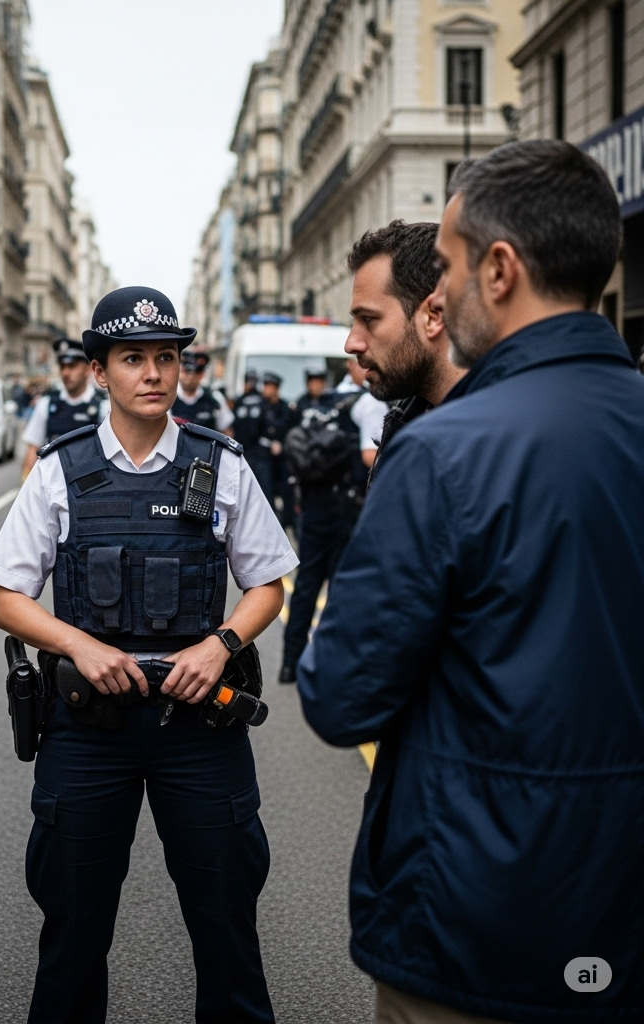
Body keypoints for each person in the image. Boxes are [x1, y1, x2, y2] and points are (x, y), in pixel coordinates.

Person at [299, 140, 644, 1023]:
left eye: (447, 269)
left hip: (476, 923)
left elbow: (339, 695)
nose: (440, 298)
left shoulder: (442, 452)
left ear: (499, 270)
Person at [0, 285, 297, 1024]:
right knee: (73, 931)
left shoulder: (222, 463)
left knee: (227, 927)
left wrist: (220, 645)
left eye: (166, 357)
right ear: (99, 371)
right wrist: (79, 644)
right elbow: (6, 597)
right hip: (89, 729)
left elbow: (267, 585)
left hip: (200, 727)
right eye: (132, 358)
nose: (153, 373)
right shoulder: (60, 468)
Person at [278, 360, 386, 681]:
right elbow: (369, 455)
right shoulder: (368, 403)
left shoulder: (321, 403)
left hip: (313, 507)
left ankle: (290, 662)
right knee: (342, 588)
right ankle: (331, 664)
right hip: (345, 509)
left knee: (306, 585)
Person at [343, 220, 466, 486]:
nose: (351, 344)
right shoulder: (407, 420)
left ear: (433, 316)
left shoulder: (500, 442)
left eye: (369, 319)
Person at [20, 338, 107, 478]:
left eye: (72, 366)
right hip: (53, 484)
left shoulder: (103, 406)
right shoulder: (47, 404)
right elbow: (32, 449)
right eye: (62, 366)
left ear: (87, 369)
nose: (65, 373)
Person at [247, 371, 294, 517]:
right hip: (262, 456)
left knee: (286, 489)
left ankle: (286, 519)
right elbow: (252, 432)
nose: (266, 389)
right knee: (266, 489)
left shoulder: (285, 407)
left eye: (270, 386)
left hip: (282, 456)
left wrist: (280, 443)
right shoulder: (258, 405)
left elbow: (288, 428)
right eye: (265, 385)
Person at [170, 348, 234, 434]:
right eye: (186, 371)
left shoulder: (214, 399)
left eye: (196, 373)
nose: (190, 377)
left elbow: (226, 430)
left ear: (202, 374)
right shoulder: (168, 398)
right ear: (179, 371)